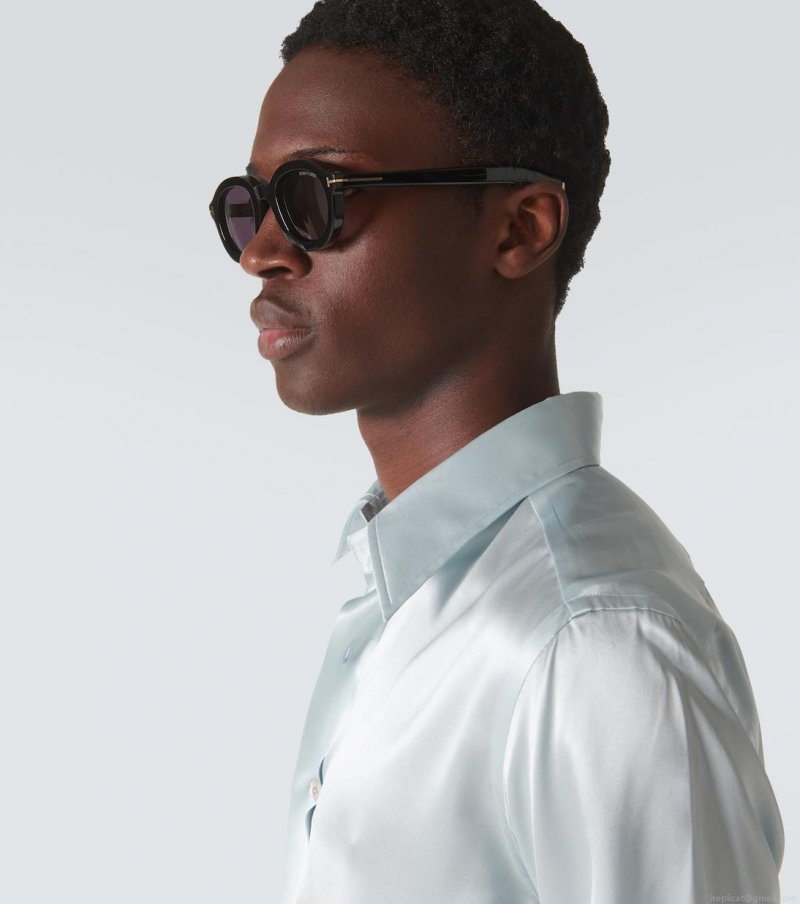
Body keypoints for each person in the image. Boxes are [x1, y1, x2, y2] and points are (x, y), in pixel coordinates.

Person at [208, 1, 785, 901]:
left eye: (319, 198)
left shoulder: (593, 642)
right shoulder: (409, 598)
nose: (263, 254)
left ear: (520, 229)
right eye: (252, 205)